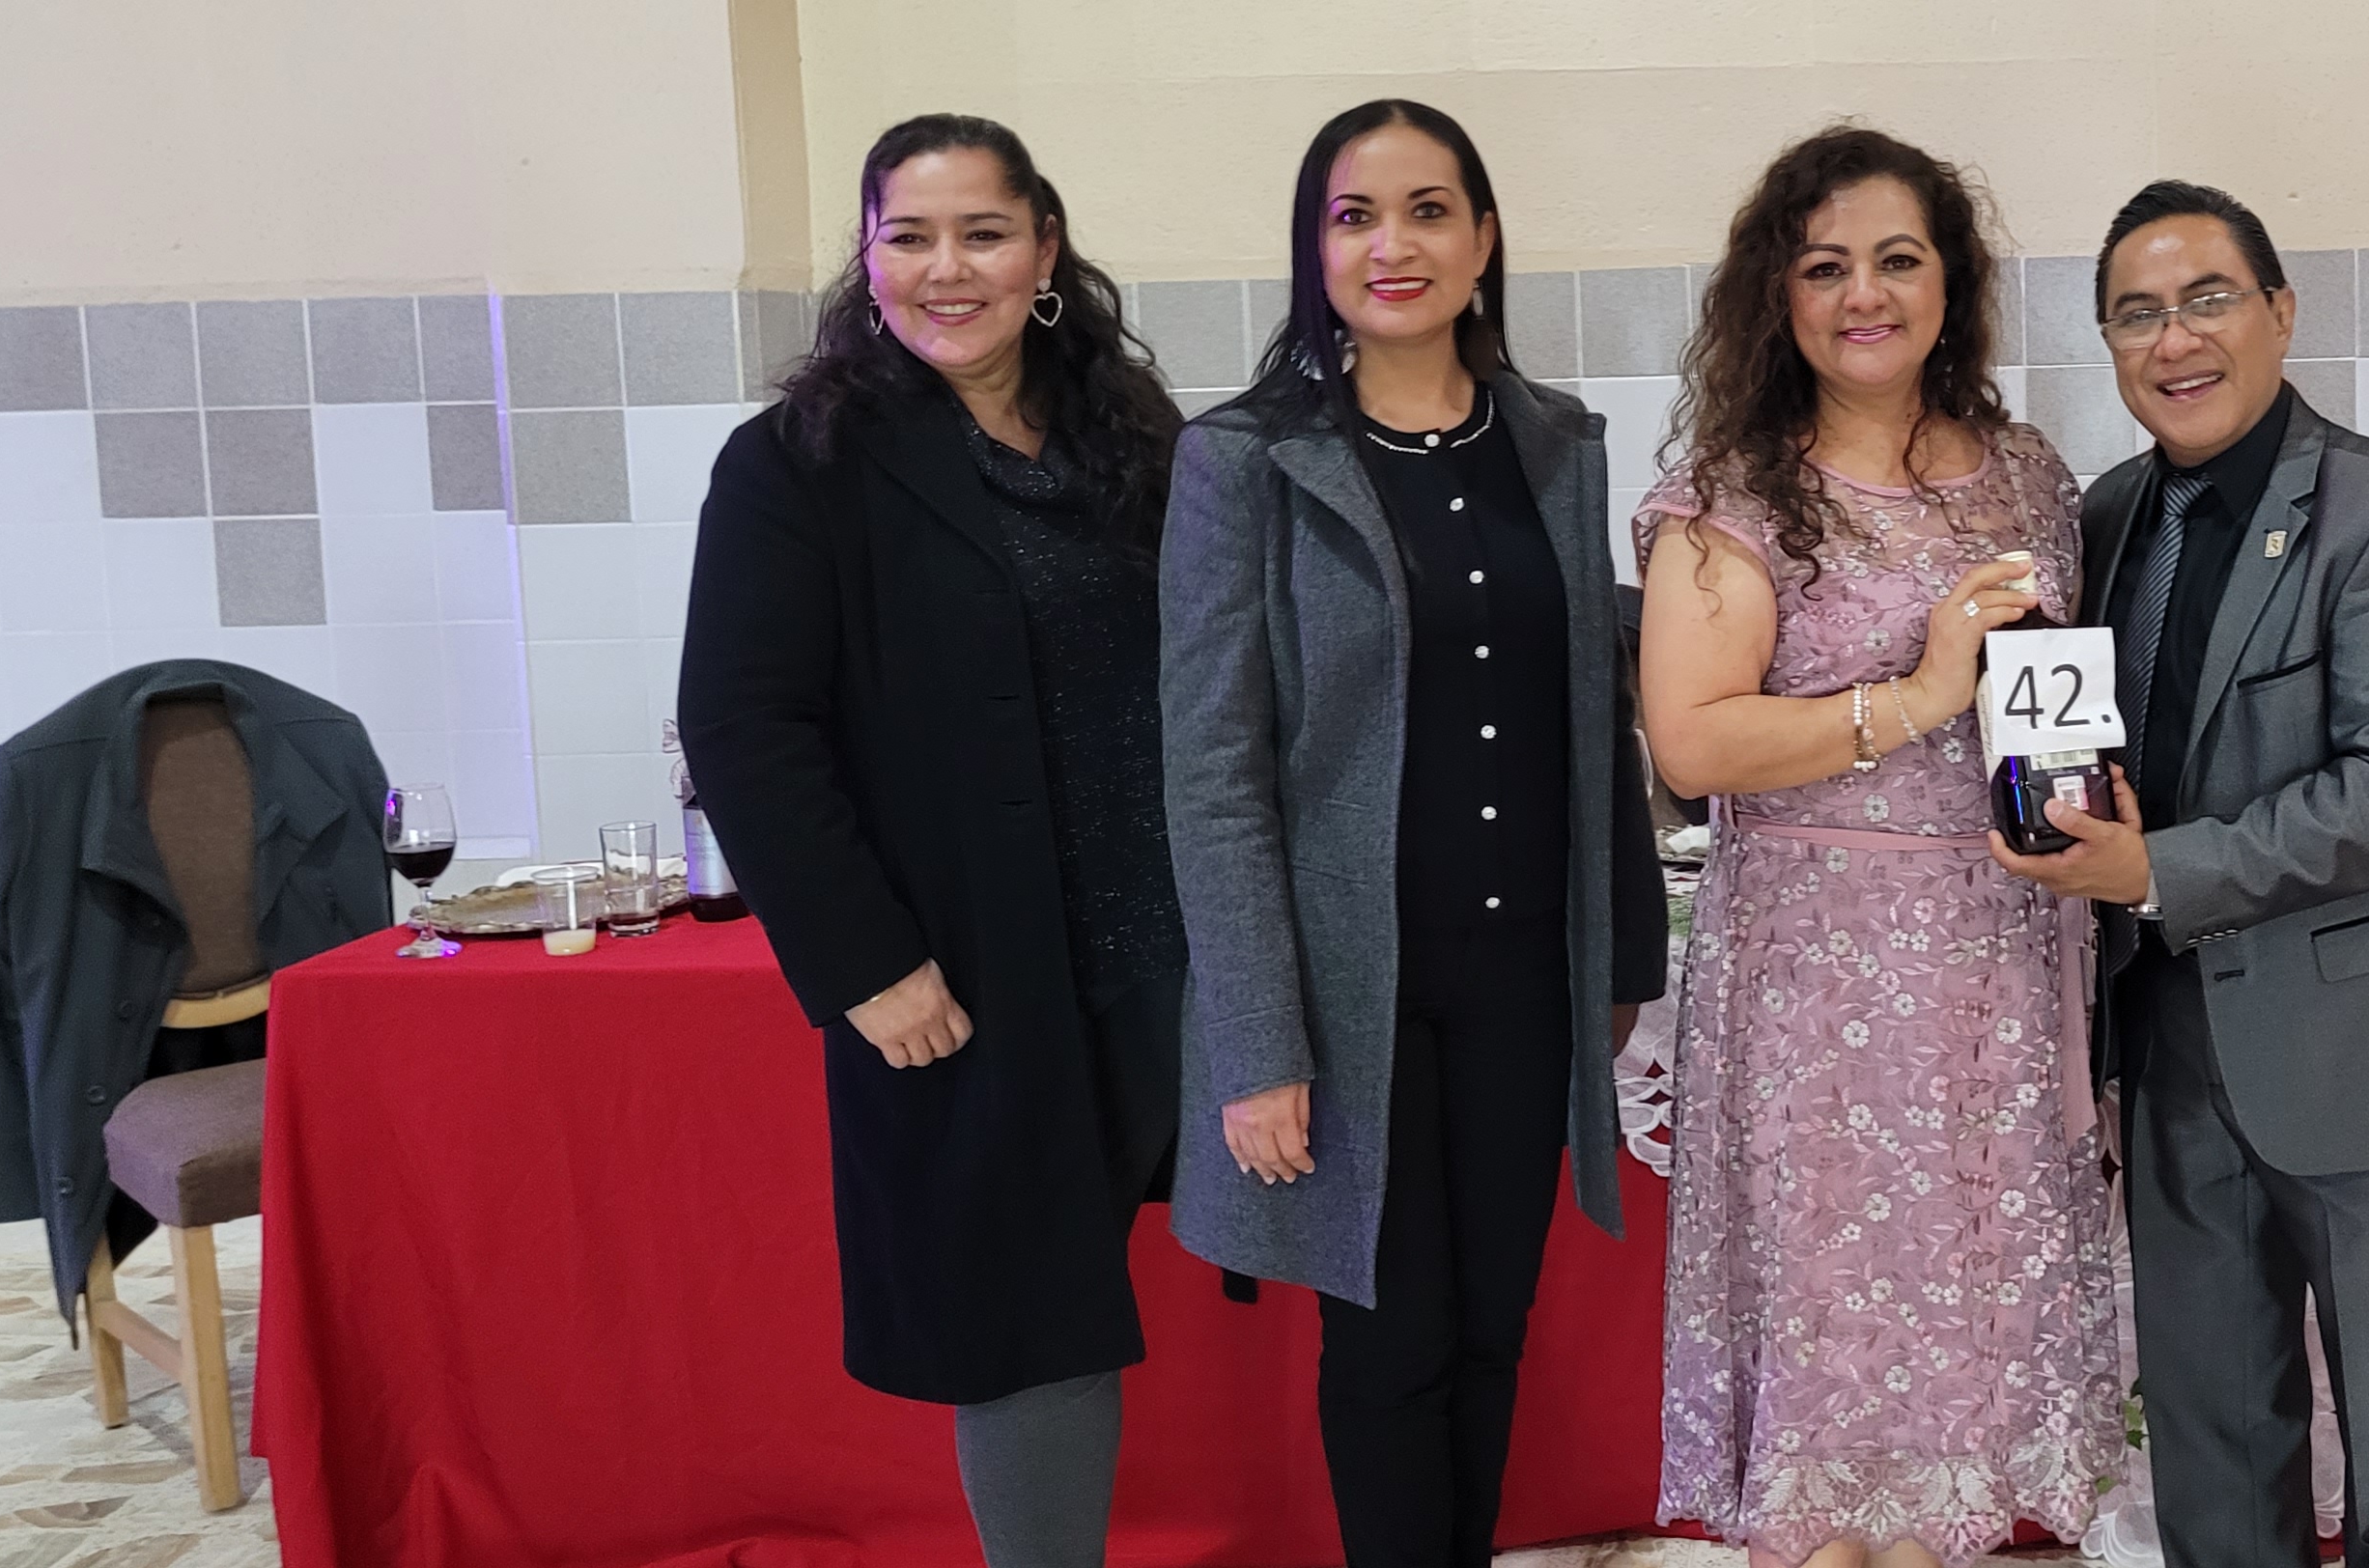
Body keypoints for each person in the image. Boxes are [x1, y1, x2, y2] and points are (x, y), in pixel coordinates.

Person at [1157, 98, 1667, 1568]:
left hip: (1522, 982)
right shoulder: (1245, 460)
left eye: (1430, 210)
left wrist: (1620, 959)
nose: (1395, 244)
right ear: (1315, 250)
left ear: (1484, 238)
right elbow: (1213, 772)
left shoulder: (1557, 444)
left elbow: (1594, 718)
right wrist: (1257, 1039)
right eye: (1355, 215)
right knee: (1390, 1346)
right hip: (1347, 996)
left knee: (1492, 1330)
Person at [677, 113, 1187, 1568]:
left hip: (1165, 955)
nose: (946, 269)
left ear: (1045, 252)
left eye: (983, 234)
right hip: (966, 972)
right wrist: (867, 966)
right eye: (909, 237)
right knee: (1025, 1320)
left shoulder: (1137, 441)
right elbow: (743, 729)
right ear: (868, 256)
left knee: (1165, 1269)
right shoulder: (797, 463)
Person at [1996, 181, 2369, 1567]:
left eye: (2208, 299)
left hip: (2360, 1043)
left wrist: (2152, 867)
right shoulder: (2108, 515)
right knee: (2210, 1432)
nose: (2175, 340)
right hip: (2169, 1043)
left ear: (2281, 313)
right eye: (2137, 315)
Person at [1633, 126, 2125, 1568]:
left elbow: (2051, 687)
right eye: (1825, 266)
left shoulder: (2025, 476)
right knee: (1832, 1337)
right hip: (1818, 975)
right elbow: (1691, 743)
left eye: (1899, 260)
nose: (1866, 294)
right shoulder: (1734, 494)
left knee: (1965, 1344)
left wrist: (2090, 797)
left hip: (2000, 959)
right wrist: (1916, 696)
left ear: (1949, 283)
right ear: (1775, 295)